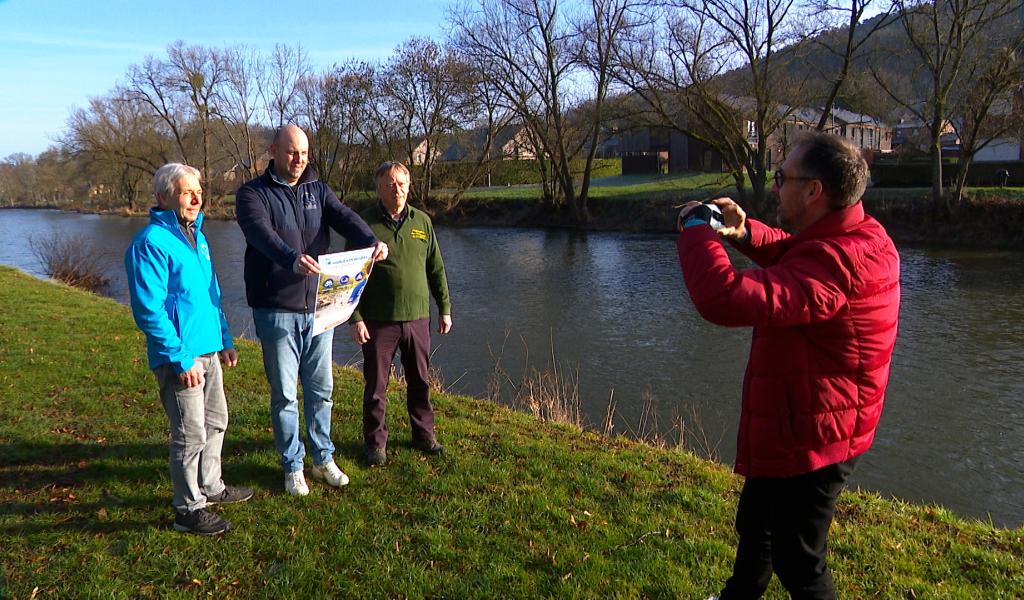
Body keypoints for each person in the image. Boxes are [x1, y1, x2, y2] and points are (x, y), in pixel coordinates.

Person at [676, 132, 900, 600]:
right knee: (756, 522)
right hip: (801, 418)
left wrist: (697, 228)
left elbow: (723, 297)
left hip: (818, 435)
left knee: (798, 559)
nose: (775, 186)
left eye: (782, 178)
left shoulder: (838, 262)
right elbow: (798, 254)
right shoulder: (857, 234)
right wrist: (744, 233)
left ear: (814, 190)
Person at [236, 125, 388, 496]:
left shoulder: (316, 189)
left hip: (320, 308)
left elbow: (345, 217)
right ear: (274, 151)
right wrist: (291, 258)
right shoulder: (252, 194)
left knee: (322, 390)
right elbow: (260, 234)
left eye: (304, 153)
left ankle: (323, 458)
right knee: (286, 395)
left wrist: (371, 241)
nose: (299, 160)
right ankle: (293, 466)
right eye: (292, 152)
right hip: (276, 308)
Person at [125, 163, 253, 536]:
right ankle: (187, 510)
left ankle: (211, 486)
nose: (196, 199)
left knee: (217, 421)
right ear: (164, 197)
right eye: (187, 192)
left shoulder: (198, 236)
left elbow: (211, 296)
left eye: (198, 191)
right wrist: (181, 358)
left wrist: (224, 339)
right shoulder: (150, 243)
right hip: (181, 358)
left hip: (208, 350)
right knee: (190, 433)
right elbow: (149, 311)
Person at [349, 161, 452, 467]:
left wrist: (444, 308)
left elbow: (436, 268)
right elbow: (350, 275)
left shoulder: (422, 222)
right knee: (376, 386)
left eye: (402, 183)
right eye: (390, 184)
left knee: (420, 381)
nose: (397, 190)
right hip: (378, 321)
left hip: (417, 317)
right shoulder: (363, 224)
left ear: (410, 186)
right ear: (379, 188)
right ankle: (376, 444)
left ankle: (424, 435)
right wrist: (356, 318)